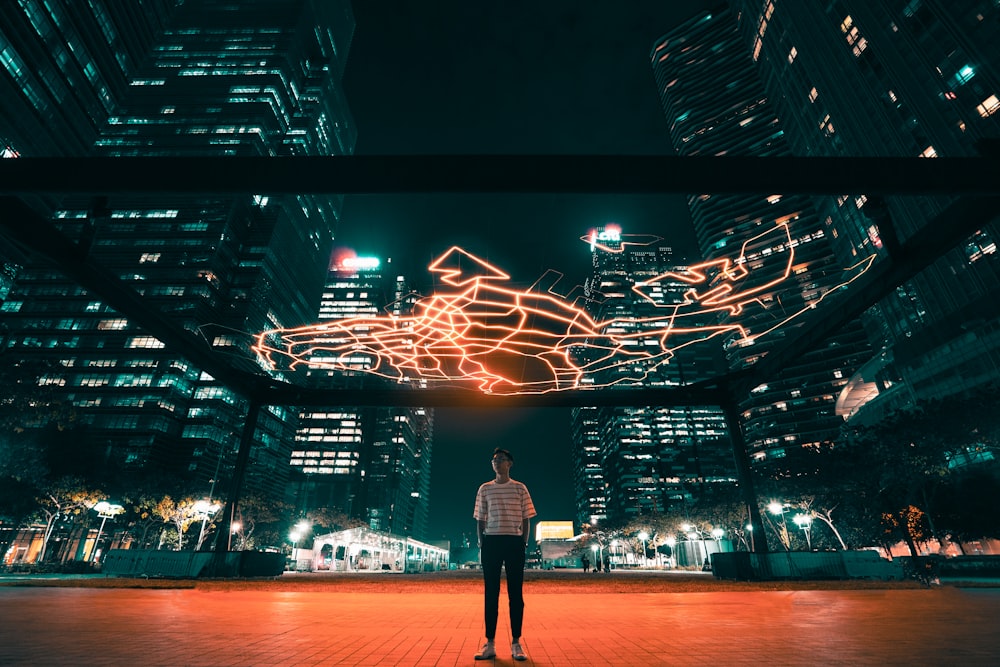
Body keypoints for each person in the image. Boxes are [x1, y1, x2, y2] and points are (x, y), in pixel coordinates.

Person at [473, 447, 537, 662]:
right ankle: (489, 643)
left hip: (514, 541)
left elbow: (527, 517)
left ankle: (516, 642)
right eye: (494, 460)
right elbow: (480, 518)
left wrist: (524, 541)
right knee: (490, 593)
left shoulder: (520, 488)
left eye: (501, 459)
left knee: (515, 594)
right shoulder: (485, 488)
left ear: (510, 463)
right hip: (491, 541)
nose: (496, 462)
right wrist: (482, 542)